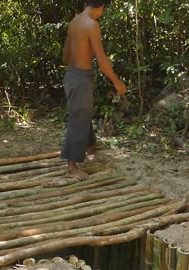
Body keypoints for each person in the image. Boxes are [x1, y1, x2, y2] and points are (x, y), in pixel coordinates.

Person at [60, 0, 127, 180]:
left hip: (71, 74)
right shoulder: (92, 25)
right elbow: (102, 60)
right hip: (80, 77)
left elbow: (65, 52)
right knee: (79, 117)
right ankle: (72, 167)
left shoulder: (74, 22)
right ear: (101, 7)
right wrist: (116, 82)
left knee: (83, 111)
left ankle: (90, 144)